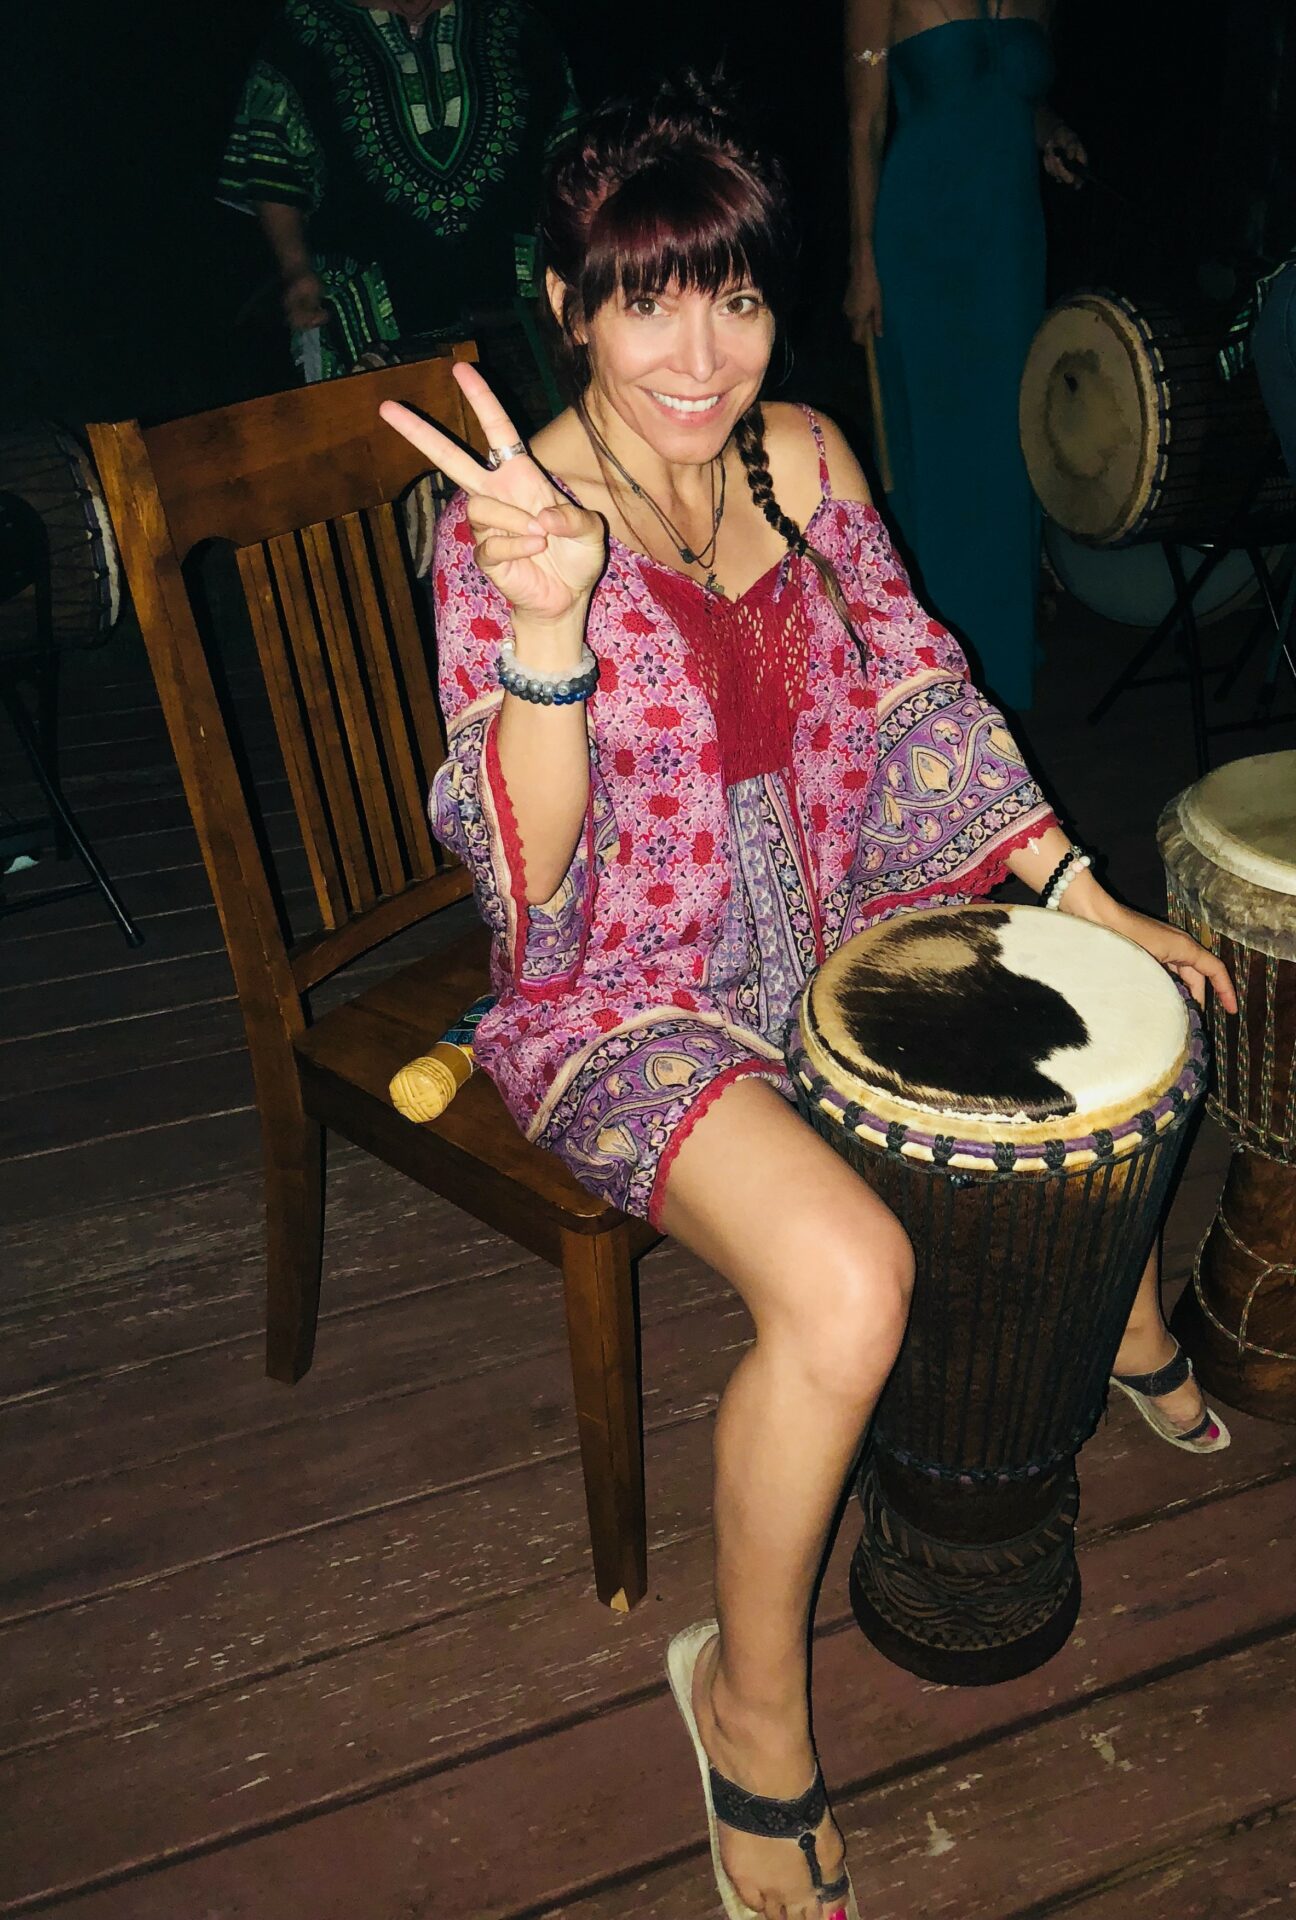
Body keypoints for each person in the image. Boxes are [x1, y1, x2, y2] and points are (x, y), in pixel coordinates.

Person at [381, 77, 1234, 1920]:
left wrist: (1082, 890)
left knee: (1118, 1001)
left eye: (738, 295)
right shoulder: (510, 526)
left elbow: (920, 695)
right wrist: (549, 633)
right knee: (852, 1285)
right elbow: (521, 887)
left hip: (849, 907)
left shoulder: (806, 454)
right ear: (565, 306)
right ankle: (746, 1705)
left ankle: (1123, 1312)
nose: (703, 355)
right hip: (631, 990)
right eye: (648, 303)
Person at [843, 0, 1086, 714]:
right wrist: (863, 260)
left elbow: (1015, 98)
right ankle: (937, 677)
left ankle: (999, 663)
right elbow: (865, 124)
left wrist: (1050, 131)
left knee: (1010, 448)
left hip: (1010, 241)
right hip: (924, 240)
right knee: (941, 457)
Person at [218, 0, 577, 416]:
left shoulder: (514, 20)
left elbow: (569, 153)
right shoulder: (305, 29)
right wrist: (296, 269)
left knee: (542, 440)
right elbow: (273, 164)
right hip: (370, 316)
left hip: (519, 308)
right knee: (387, 447)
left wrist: (579, 261)